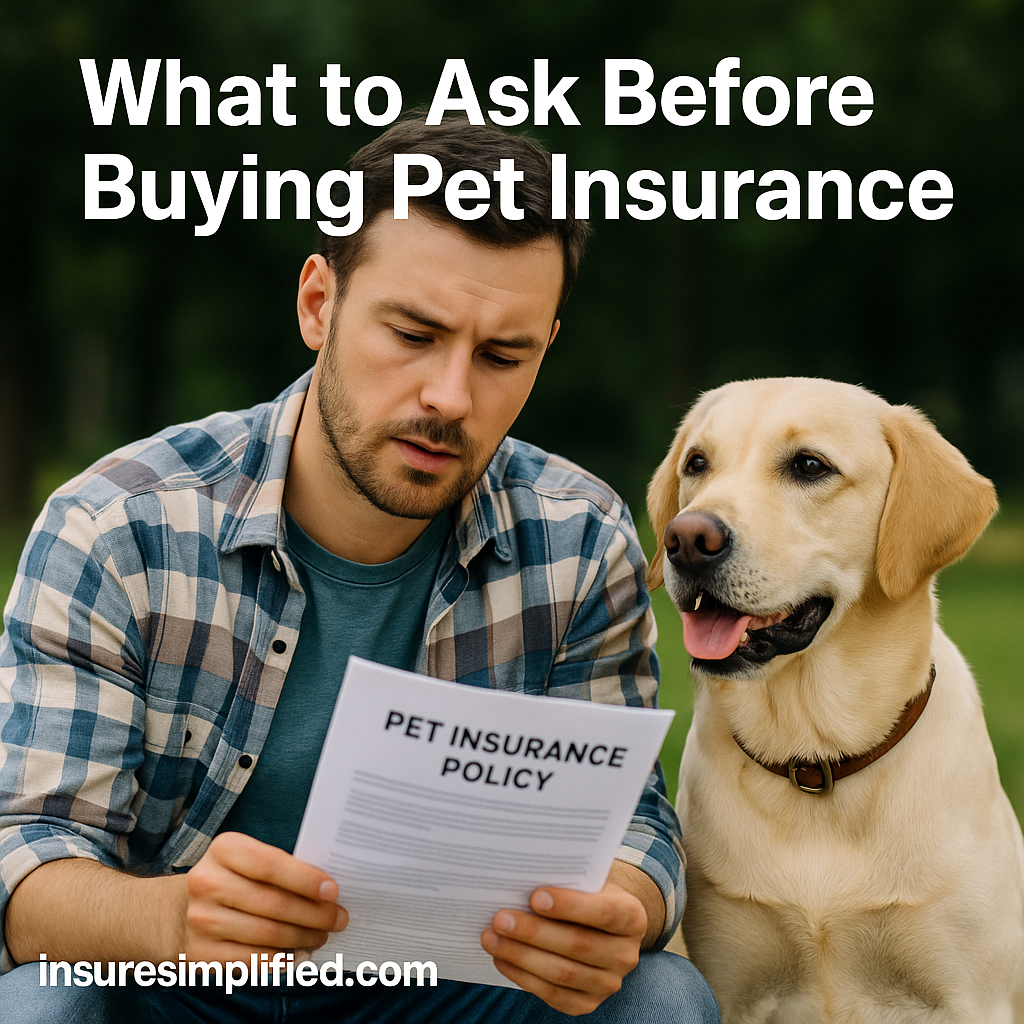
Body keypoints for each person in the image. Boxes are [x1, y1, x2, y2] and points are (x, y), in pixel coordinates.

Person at [0, 116, 719, 1023]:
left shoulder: (581, 541)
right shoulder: (117, 528)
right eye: (413, 334)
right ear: (317, 303)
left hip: (450, 986)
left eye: (504, 356)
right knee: (35, 1004)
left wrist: (624, 908)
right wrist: (173, 917)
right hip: (174, 984)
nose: (450, 398)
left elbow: (632, 824)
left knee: (658, 994)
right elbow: (22, 860)